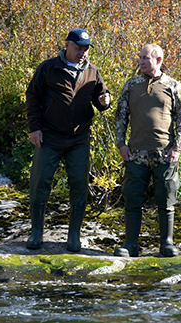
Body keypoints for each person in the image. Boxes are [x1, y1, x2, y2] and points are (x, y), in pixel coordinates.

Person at [25, 28, 111, 252]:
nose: (82, 52)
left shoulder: (93, 71)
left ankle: (74, 236)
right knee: (40, 183)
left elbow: (101, 100)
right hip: (49, 136)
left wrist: (105, 100)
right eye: (78, 48)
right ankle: (36, 233)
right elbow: (32, 96)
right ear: (67, 45)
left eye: (85, 49)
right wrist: (35, 128)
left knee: (79, 185)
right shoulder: (48, 67)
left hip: (79, 139)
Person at [114, 43, 181, 258]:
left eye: (146, 58)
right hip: (136, 155)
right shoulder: (131, 85)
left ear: (159, 60)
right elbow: (121, 116)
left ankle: (167, 244)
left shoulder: (173, 85)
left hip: (165, 154)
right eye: (140, 57)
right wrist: (121, 145)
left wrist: (177, 148)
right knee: (132, 199)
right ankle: (130, 245)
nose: (141, 61)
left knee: (166, 200)